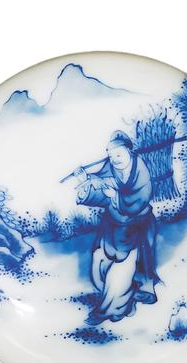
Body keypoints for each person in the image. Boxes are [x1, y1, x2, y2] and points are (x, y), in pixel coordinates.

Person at [74, 130, 159, 325]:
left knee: (121, 271)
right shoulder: (109, 167)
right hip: (112, 226)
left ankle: (109, 310)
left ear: (129, 151)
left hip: (135, 227)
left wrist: (116, 196)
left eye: (119, 155)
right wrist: (86, 181)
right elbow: (100, 189)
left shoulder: (141, 172)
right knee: (99, 261)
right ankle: (125, 301)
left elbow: (140, 199)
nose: (115, 160)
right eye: (111, 156)